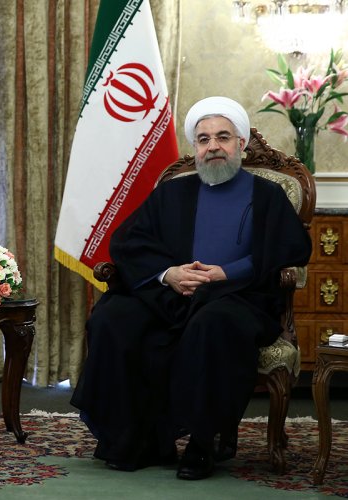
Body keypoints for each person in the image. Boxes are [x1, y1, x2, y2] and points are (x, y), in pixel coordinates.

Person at [70, 96, 312, 480]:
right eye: (203, 139)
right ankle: (136, 440)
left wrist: (225, 273)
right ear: (195, 148)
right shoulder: (172, 192)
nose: (213, 146)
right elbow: (128, 242)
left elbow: (288, 249)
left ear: (241, 144)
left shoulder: (267, 195)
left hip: (238, 295)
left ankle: (202, 443)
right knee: (113, 318)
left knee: (211, 325)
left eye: (223, 137)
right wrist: (168, 273)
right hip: (171, 294)